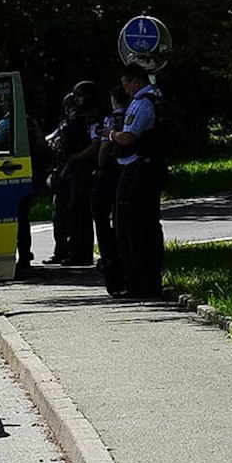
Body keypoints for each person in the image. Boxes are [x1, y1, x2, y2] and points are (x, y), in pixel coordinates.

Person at [109, 64, 169, 299]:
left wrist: (111, 134)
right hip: (149, 168)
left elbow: (128, 137)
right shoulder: (157, 97)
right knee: (147, 225)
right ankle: (148, 280)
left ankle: (139, 282)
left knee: (131, 227)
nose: (126, 90)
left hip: (139, 170)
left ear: (136, 81)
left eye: (127, 85)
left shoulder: (143, 103)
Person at [47, 82, 101, 266]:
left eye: (79, 97)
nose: (76, 102)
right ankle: (68, 251)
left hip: (83, 169)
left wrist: (74, 156)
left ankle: (81, 253)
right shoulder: (74, 119)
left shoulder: (92, 117)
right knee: (67, 213)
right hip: (70, 168)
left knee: (80, 213)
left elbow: (94, 145)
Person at [94, 84, 131, 291]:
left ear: (114, 100)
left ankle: (110, 258)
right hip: (127, 168)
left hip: (110, 170)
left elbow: (104, 146)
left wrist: (100, 166)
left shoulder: (112, 119)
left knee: (103, 216)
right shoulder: (133, 113)